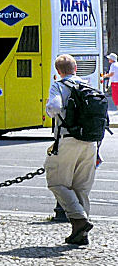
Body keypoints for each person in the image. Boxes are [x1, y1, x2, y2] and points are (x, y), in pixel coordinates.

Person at [46, 54, 100, 245]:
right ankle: (81, 235)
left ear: (58, 71)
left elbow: (54, 107)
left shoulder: (59, 85)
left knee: (55, 181)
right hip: (91, 142)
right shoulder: (90, 85)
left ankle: (80, 219)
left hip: (68, 139)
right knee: (82, 188)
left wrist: (50, 111)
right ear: (76, 68)